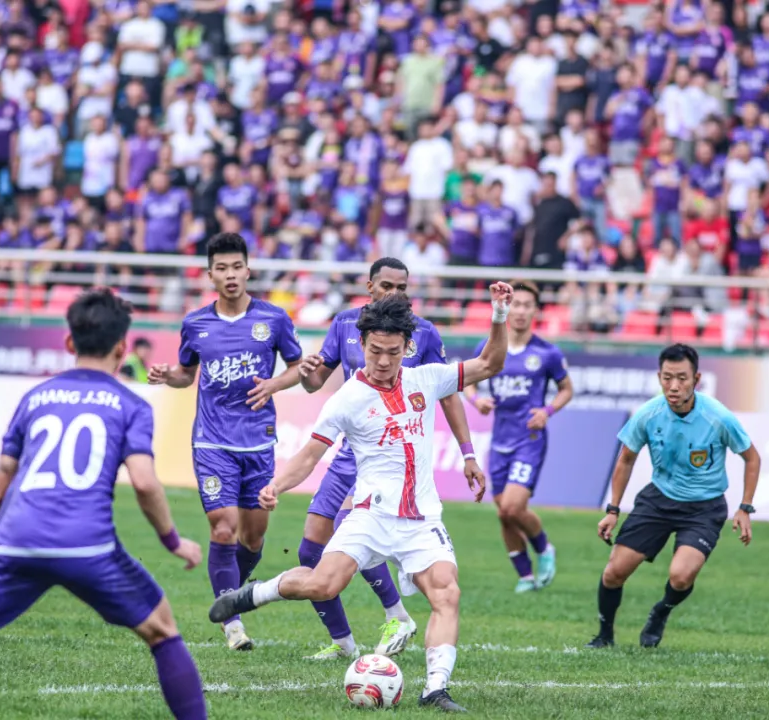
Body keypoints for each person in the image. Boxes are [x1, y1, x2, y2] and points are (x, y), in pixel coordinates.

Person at [0, 288, 207, 720]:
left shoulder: (35, 397)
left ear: (69, 342)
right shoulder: (131, 404)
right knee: (162, 630)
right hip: (88, 546)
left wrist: (2, 543)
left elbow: (0, 486)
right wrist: (173, 541)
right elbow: (144, 483)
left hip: (17, 541)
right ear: (122, 348)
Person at [207, 284, 513, 713]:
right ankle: (256, 594)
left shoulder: (427, 378)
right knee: (322, 584)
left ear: (408, 347)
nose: (383, 361)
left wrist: (498, 314)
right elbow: (309, 455)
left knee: (447, 593)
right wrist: (276, 485)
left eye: (393, 352)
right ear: (362, 344)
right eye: (374, 351)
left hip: (422, 520)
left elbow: (490, 362)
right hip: (370, 515)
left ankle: (435, 689)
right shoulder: (347, 399)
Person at [294, 257, 484, 660]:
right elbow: (315, 382)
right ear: (370, 287)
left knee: (352, 526)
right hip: (350, 450)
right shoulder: (345, 324)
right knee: (310, 549)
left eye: (402, 288)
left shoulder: (423, 332)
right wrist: (306, 373)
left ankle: (396, 614)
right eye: (386, 286)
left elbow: (447, 393)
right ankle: (343, 643)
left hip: (391, 459)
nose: (394, 294)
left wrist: (468, 453)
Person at [148, 232, 303, 651]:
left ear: (248, 270)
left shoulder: (274, 319)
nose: (230, 274)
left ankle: (231, 592)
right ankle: (233, 625)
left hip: (258, 442)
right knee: (222, 528)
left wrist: (273, 384)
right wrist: (168, 376)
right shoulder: (195, 324)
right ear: (210, 274)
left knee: (252, 538)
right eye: (222, 268)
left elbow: (298, 368)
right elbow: (186, 375)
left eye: (237, 267)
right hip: (212, 441)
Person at [586, 344, 760, 649]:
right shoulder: (648, 414)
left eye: (682, 378)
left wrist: (744, 507)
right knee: (614, 572)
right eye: (667, 378)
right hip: (659, 499)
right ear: (659, 377)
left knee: (680, 577)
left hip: (704, 507)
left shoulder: (718, 416)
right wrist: (612, 510)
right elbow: (625, 460)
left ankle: (661, 611)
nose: (674, 386)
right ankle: (604, 636)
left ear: (696, 379)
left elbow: (752, 458)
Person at [464, 281, 573, 593]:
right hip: (500, 440)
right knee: (504, 514)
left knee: (512, 507)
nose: (521, 311)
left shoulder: (547, 353)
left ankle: (544, 548)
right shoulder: (488, 345)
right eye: (516, 304)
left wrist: (547, 411)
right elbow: (468, 380)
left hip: (529, 439)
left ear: (536, 310)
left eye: (527, 305)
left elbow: (567, 390)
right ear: (507, 308)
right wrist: (476, 400)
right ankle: (525, 576)